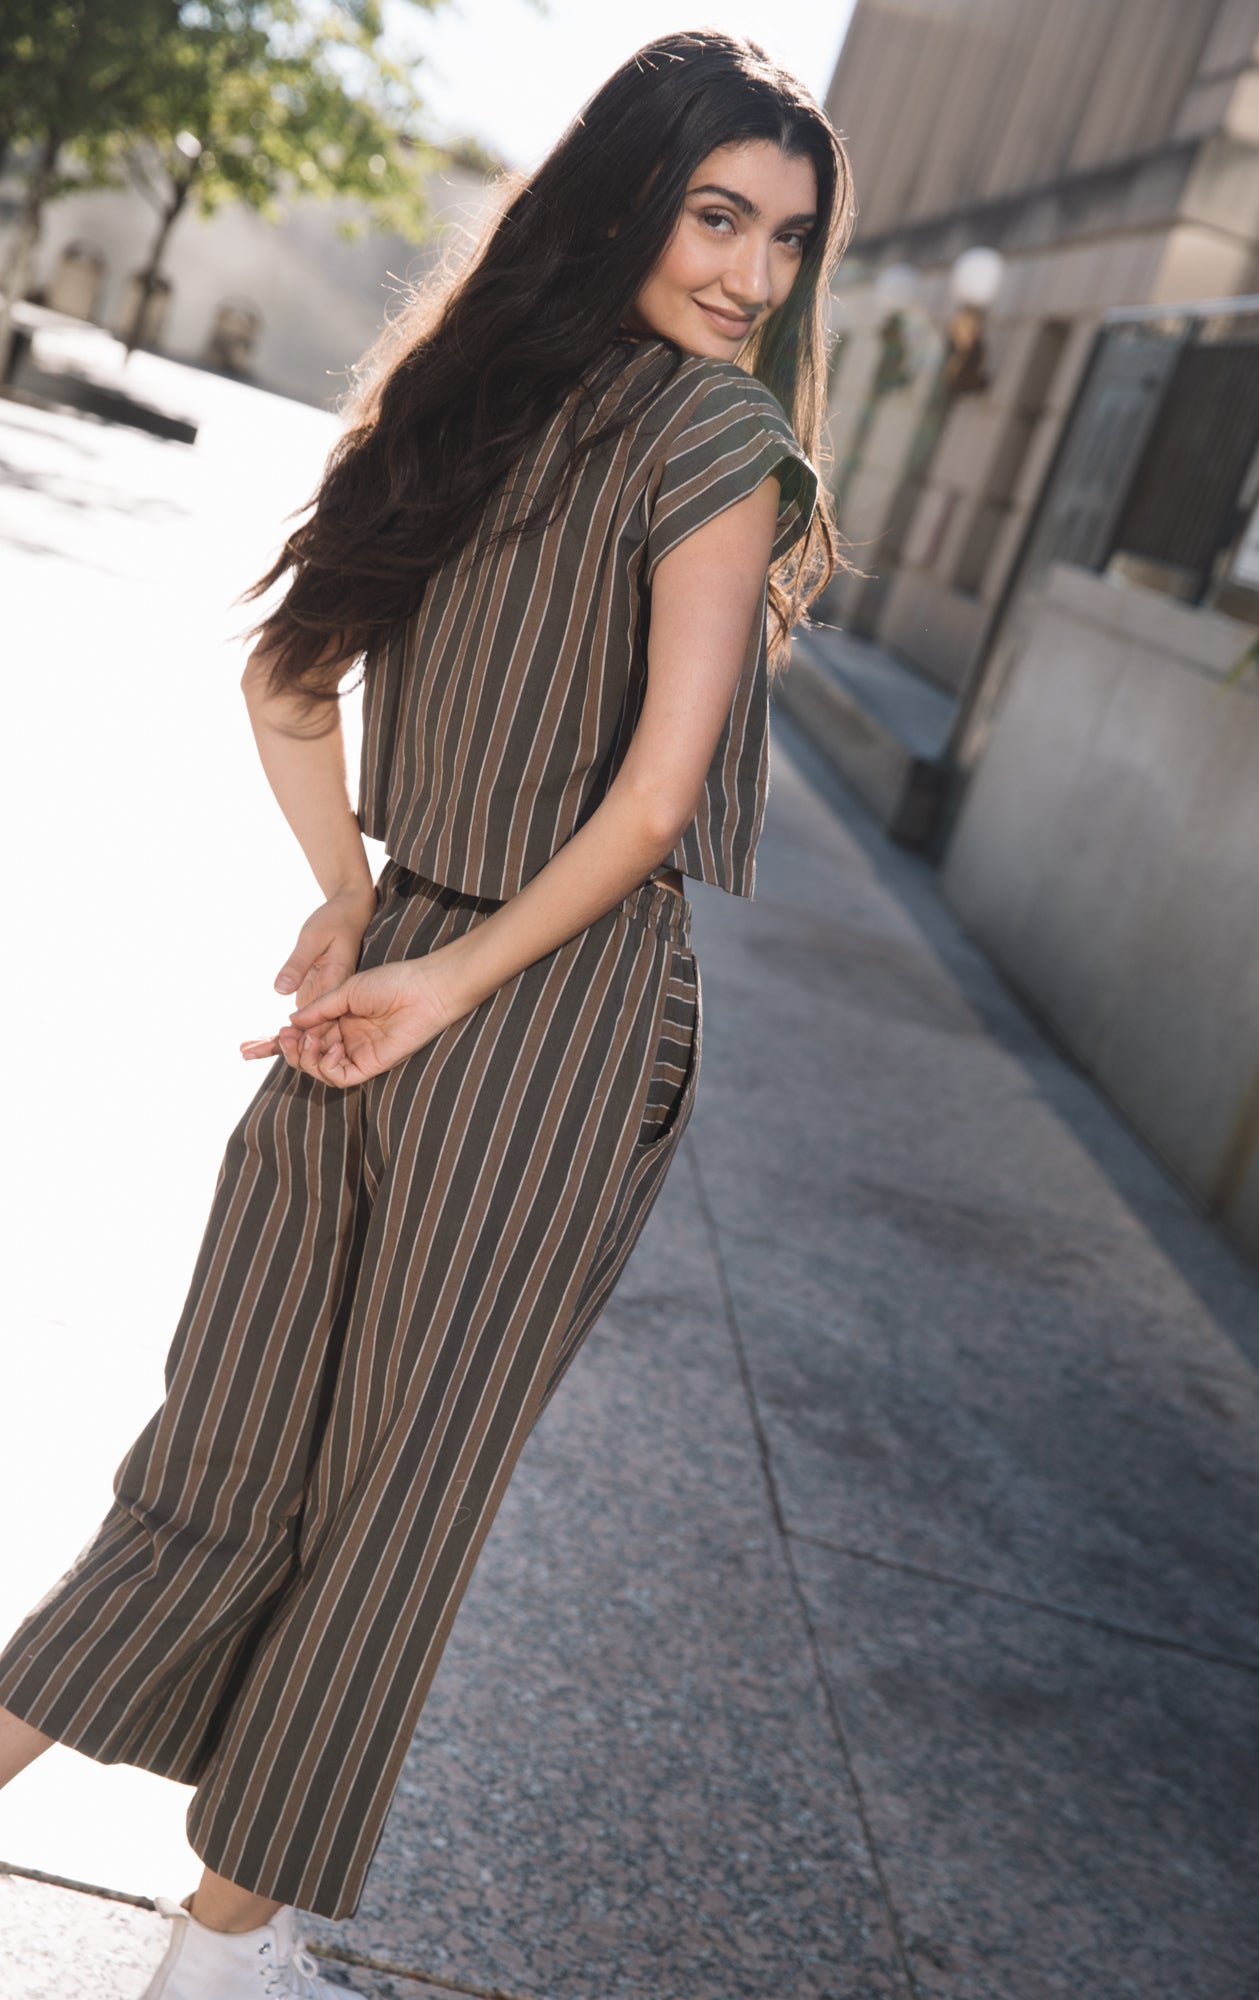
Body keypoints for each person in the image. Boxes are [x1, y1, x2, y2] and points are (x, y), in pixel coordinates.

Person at [0, 26, 853, 1999]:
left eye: (787, 238)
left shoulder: (461, 397)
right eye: (715, 217)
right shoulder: (718, 441)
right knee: (399, 1505)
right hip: (544, 1022)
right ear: (627, 200)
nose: (750, 274)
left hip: (390, 979)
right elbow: (654, 805)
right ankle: (217, 1963)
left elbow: (285, 681)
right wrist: (444, 977)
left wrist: (358, 903)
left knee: (209, 1467)